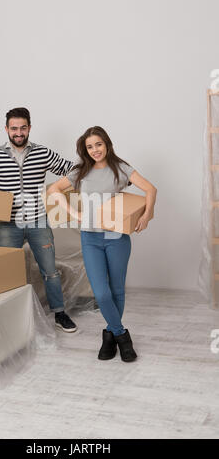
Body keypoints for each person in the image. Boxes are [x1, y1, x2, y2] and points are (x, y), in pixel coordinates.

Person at [0, 107, 77, 333]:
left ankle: (60, 314)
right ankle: (8, 317)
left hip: (38, 221)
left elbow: (70, 169)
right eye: (14, 128)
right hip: (9, 225)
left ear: (29, 128)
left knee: (50, 271)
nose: (18, 133)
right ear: (6, 129)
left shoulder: (42, 153)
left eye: (22, 128)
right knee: (5, 272)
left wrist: (102, 171)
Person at [47, 126, 157, 361]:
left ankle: (109, 336)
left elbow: (150, 189)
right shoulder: (81, 172)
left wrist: (147, 214)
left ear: (106, 144)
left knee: (117, 290)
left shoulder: (121, 168)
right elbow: (54, 189)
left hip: (117, 238)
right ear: (85, 150)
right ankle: (122, 336)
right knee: (102, 293)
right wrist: (72, 213)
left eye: (98, 144)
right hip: (91, 238)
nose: (95, 150)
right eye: (89, 147)